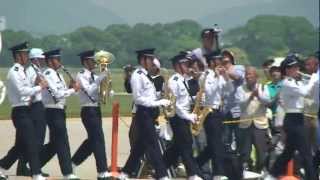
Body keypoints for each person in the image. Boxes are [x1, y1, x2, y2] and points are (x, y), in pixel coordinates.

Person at [118, 48, 171, 180]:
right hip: (143, 114)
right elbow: (138, 99)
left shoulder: (146, 75)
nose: (152, 61)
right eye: (150, 59)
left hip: (150, 114)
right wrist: (158, 103)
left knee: (140, 147)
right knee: (153, 144)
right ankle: (162, 175)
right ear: (142, 60)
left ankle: (125, 172)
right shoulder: (137, 75)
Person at [0, 42, 48, 180]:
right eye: (25, 54)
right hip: (19, 110)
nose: (27, 56)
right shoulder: (14, 71)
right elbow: (22, 92)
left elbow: (28, 90)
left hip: (26, 110)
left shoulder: (21, 70)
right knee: (32, 142)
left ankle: (2, 166)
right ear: (18, 56)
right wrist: (39, 87)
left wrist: (36, 86)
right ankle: (36, 174)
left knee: (21, 144)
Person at [266, 54, 318, 180]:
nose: (297, 69)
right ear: (287, 70)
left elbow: (309, 94)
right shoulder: (287, 83)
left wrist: (314, 83)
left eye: (297, 67)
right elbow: (305, 92)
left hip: (297, 118)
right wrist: (314, 79)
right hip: (293, 119)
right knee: (306, 154)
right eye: (293, 68)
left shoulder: (295, 82)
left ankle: (271, 175)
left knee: (288, 153)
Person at [40, 49, 80, 179]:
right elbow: (57, 95)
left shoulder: (58, 75)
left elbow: (62, 91)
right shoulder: (47, 73)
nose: (60, 62)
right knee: (62, 141)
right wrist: (72, 90)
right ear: (50, 61)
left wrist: (70, 88)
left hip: (59, 110)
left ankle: (34, 164)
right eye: (57, 59)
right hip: (52, 110)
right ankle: (67, 173)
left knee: (54, 144)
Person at [71, 50, 111, 180]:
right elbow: (89, 90)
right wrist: (100, 78)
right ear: (85, 62)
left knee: (92, 141)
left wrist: (108, 89)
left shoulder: (94, 75)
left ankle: (72, 163)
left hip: (96, 109)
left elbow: (99, 92)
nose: (95, 62)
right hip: (88, 110)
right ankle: (102, 172)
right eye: (92, 60)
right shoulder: (82, 74)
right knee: (98, 140)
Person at [162, 53, 202, 180]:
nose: (187, 66)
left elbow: (185, 100)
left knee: (179, 146)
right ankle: (192, 174)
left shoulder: (183, 79)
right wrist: (188, 116)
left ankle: (160, 167)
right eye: (185, 64)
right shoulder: (174, 80)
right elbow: (176, 104)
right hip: (178, 117)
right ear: (177, 66)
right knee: (186, 143)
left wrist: (197, 99)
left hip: (184, 116)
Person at [195, 51, 232, 180]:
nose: (220, 63)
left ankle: (195, 165)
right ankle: (218, 173)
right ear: (211, 62)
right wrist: (217, 77)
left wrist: (225, 77)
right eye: (218, 60)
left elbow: (229, 90)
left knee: (214, 144)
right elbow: (210, 92)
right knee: (216, 144)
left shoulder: (219, 75)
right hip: (209, 112)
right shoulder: (205, 76)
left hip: (218, 111)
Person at [15, 48, 49, 176]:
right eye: (41, 58)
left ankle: (23, 166)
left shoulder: (37, 70)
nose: (44, 60)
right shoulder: (31, 71)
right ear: (35, 59)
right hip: (35, 107)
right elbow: (30, 90)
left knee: (33, 140)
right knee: (38, 140)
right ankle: (34, 168)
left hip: (38, 106)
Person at [237, 66, 271, 174]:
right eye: (246, 74)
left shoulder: (263, 87)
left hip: (260, 125)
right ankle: (248, 170)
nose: (248, 77)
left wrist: (259, 95)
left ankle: (259, 170)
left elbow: (267, 102)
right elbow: (241, 105)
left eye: (250, 74)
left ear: (256, 76)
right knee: (245, 152)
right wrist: (250, 96)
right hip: (245, 124)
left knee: (261, 152)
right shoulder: (240, 88)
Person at [221, 49, 245, 153]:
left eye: (227, 57)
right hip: (225, 110)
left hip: (238, 108)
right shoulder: (220, 72)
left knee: (240, 136)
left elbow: (238, 77)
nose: (225, 59)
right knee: (226, 138)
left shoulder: (238, 68)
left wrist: (225, 71)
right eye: (223, 58)